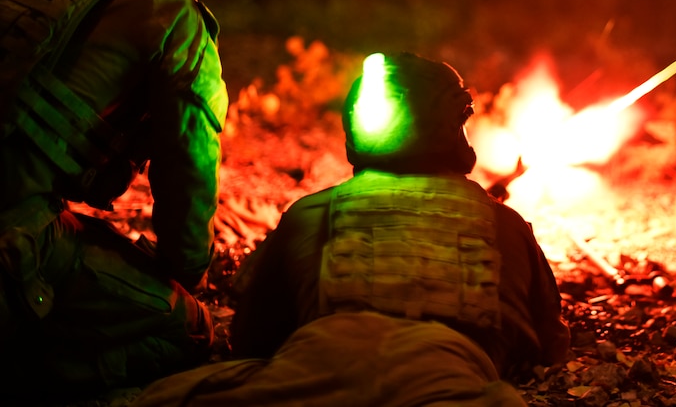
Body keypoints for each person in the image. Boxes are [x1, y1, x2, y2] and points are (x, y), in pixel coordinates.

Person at [132, 51, 570, 407]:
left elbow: (252, 336)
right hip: (445, 387)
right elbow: (547, 347)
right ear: (448, 126)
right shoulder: (506, 226)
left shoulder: (311, 213)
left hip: (304, 378)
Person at [0, 0, 229, 399]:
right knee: (190, 329)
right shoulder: (168, 6)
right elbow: (187, 169)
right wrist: (185, 274)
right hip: (11, 234)